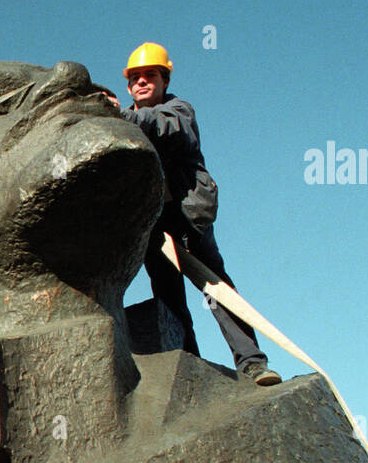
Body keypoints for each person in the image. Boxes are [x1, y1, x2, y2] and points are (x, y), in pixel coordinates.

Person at [117, 42, 280, 384]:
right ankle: (192, 367)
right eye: (136, 78)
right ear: (129, 84)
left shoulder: (178, 111)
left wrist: (119, 115)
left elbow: (164, 128)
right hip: (154, 223)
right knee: (168, 300)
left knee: (216, 288)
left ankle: (252, 363)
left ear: (164, 80)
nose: (142, 82)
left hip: (187, 216)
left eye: (150, 75)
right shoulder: (122, 120)